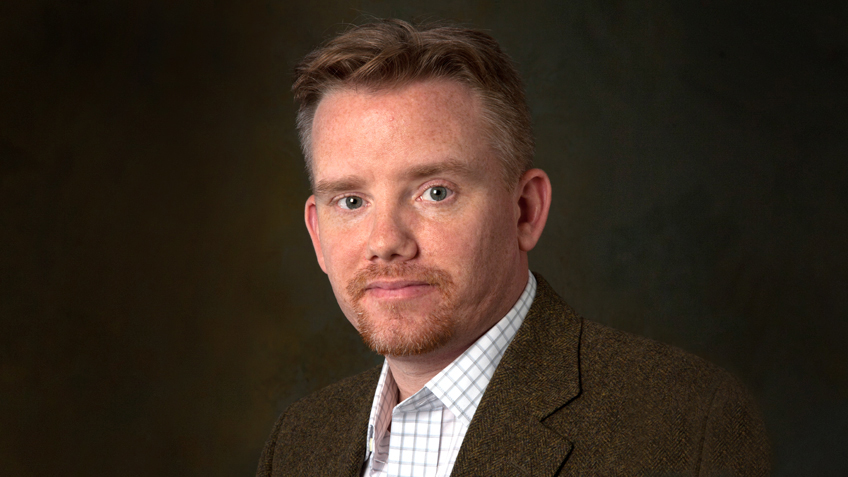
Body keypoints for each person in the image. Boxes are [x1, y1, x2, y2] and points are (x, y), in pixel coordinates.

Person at [257, 19, 771, 476]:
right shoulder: (300, 441)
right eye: (351, 201)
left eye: (436, 192)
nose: (387, 242)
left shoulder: (685, 421)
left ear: (525, 210)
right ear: (317, 234)